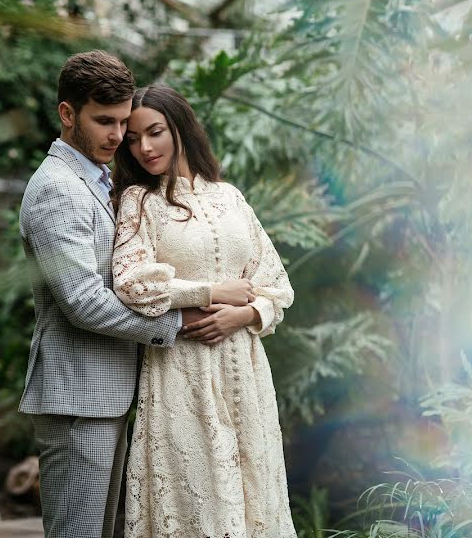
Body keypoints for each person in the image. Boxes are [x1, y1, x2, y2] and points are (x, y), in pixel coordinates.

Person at [18, 53, 252, 538]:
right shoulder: (58, 189)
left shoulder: (99, 181)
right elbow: (82, 301)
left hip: (109, 394)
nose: (117, 135)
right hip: (77, 399)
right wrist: (185, 321)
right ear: (67, 114)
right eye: (104, 121)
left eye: (124, 122)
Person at [112, 84, 298, 537]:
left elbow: (277, 285)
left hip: (246, 373)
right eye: (133, 139)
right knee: (198, 499)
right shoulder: (139, 203)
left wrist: (247, 314)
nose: (144, 147)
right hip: (182, 371)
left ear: (180, 128)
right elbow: (132, 283)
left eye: (154, 132)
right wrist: (210, 292)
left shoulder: (229, 197)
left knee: (255, 493)